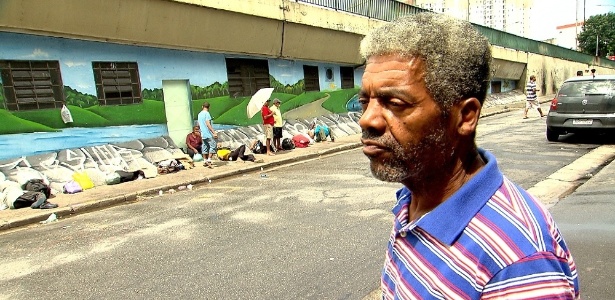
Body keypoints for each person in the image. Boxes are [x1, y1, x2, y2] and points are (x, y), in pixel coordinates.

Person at [358, 12, 579, 299]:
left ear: (465, 116)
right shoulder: (412, 198)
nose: (367, 120)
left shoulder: (518, 262)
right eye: (365, 101)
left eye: (395, 103)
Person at [197, 102, 217, 168]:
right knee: (213, 145)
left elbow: (198, 124)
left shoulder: (199, 114)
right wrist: (214, 132)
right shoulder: (207, 114)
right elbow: (208, 124)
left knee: (205, 146)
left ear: (202, 106)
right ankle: (209, 160)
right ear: (209, 107)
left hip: (203, 133)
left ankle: (204, 160)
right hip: (208, 133)